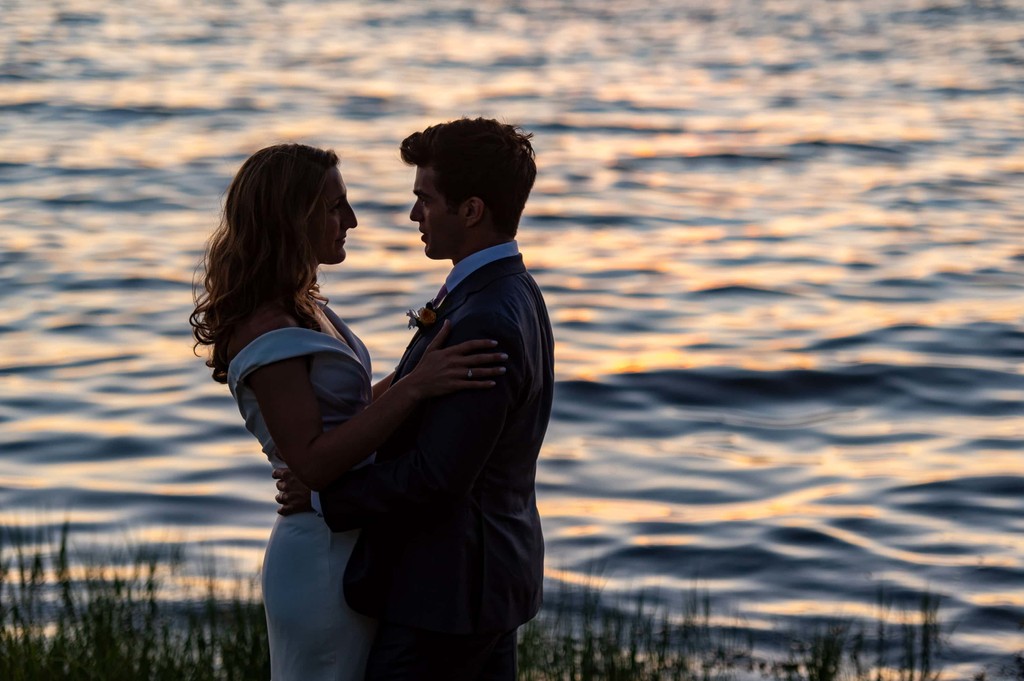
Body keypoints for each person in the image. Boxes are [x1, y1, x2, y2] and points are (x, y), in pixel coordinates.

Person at [189, 142, 507, 681]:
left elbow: (351, 410)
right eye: (335, 207)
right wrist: (414, 390)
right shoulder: (267, 327)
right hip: (319, 554)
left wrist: (419, 374)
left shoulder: (304, 305)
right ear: (293, 217)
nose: (351, 221)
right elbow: (311, 462)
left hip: (351, 535)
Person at [276, 117, 554, 681]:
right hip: (481, 583)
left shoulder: (485, 319)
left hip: (448, 597)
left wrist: (324, 496)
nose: (413, 215)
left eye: (424, 199)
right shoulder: (508, 290)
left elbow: (437, 478)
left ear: (471, 210)